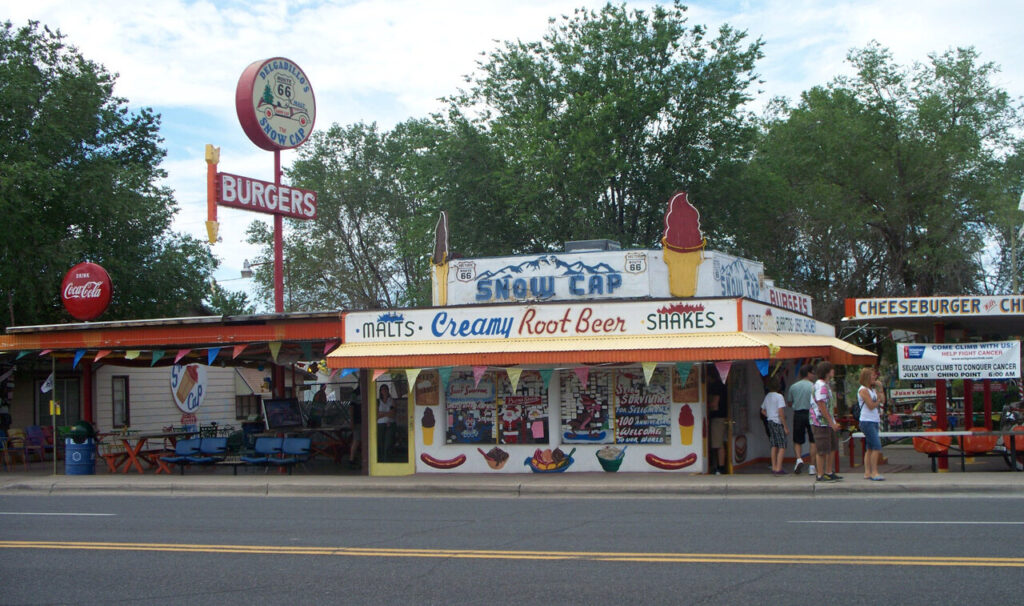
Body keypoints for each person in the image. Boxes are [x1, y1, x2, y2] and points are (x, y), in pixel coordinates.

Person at [811, 361, 842, 482]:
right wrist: (831, 422)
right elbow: (821, 404)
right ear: (827, 372)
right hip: (821, 422)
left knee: (832, 447)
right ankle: (820, 473)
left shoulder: (826, 385)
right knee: (822, 449)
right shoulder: (821, 386)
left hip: (828, 421)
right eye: (831, 370)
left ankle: (829, 471)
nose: (833, 372)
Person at [786, 363, 817, 476]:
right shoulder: (813, 386)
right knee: (813, 440)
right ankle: (812, 466)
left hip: (798, 413)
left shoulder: (794, 387)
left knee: (797, 439)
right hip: (811, 413)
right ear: (808, 373)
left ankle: (799, 459)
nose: (813, 375)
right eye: (812, 373)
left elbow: (789, 402)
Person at [858, 367, 886, 480]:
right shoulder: (863, 390)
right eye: (872, 376)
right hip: (867, 420)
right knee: (876, 446)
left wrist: (880, 389)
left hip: (874, 420)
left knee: (869, 448)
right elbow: (871, 405)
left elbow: (883, 400)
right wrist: (878, 401)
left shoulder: (872, 390)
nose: (875, 377)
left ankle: (867, 472)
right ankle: (874, 472)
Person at [761, 376, 789, 475]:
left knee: (774, 444)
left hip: (770, 421)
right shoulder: (779, 397)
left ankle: (773, 466)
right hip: (777, 422)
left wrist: (769, 414)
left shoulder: (767, 396)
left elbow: (763, 410)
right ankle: (779, 467)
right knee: (782, 445)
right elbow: (781, 412)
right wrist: (785, 426)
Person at [707, 365, 728, 475]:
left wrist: (705, 406)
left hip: (717, 418)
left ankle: (721, 467)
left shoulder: (716, 386)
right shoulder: (721, 385)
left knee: (718, 444)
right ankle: (718, 466)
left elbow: (714, 404)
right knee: (718, 443)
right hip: (721, 417)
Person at [376, 384, 395, 462]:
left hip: (390, 424)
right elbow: (376, 415)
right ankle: (380, 460)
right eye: (382, 389)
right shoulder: (378, 401)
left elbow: (393, 413)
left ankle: (387, 460)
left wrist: (382, 413)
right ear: (380, 391)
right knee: (380, 443)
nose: (384, 391)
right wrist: (387, 413)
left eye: (385, 389)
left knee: (388, 443)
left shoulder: (391, 400)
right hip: (380, 424)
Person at [348, 392, 362, 469]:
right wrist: (352, 421)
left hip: (362, 420)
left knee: (359, 440)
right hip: (357, 421)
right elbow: (351, 407)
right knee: (356, 440)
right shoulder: (354, 394)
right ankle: (351, 458)